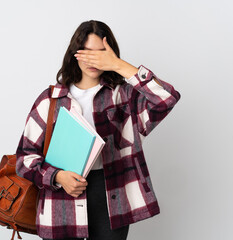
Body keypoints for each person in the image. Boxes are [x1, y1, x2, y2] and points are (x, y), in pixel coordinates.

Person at [15, 20, 181, 240]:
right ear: (75, 53)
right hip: (62, 196)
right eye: (88, 52)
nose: (95, 60)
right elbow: (24, 158)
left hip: (111, 195)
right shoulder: (50, 100)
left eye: (102, 53)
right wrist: (57, 177)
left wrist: (119, 65)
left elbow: (166, 99)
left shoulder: (122, 96)